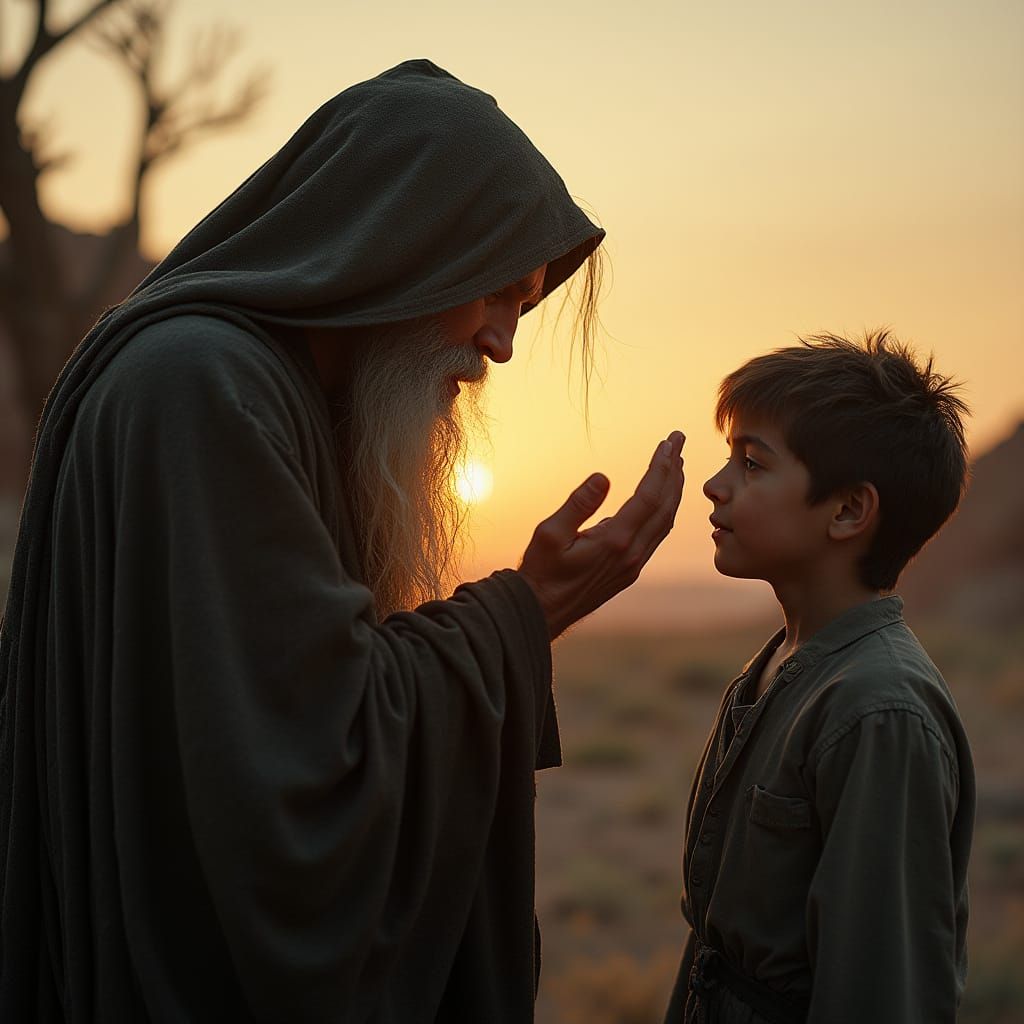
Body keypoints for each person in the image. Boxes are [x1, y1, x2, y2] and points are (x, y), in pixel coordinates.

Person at [0, 60, 685, 1022]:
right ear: (404, 243)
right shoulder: (204, 387)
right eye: (493, 292)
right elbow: (297, 773)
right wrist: (525, 613)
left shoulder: (279, 395)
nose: (502, 345)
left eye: (521, 309)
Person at [665, 332, 975, 1023]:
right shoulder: (782, 663)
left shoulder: (879, 711)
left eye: (751, 463)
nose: (716, 485)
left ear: (846, 511)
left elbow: (884, 991)